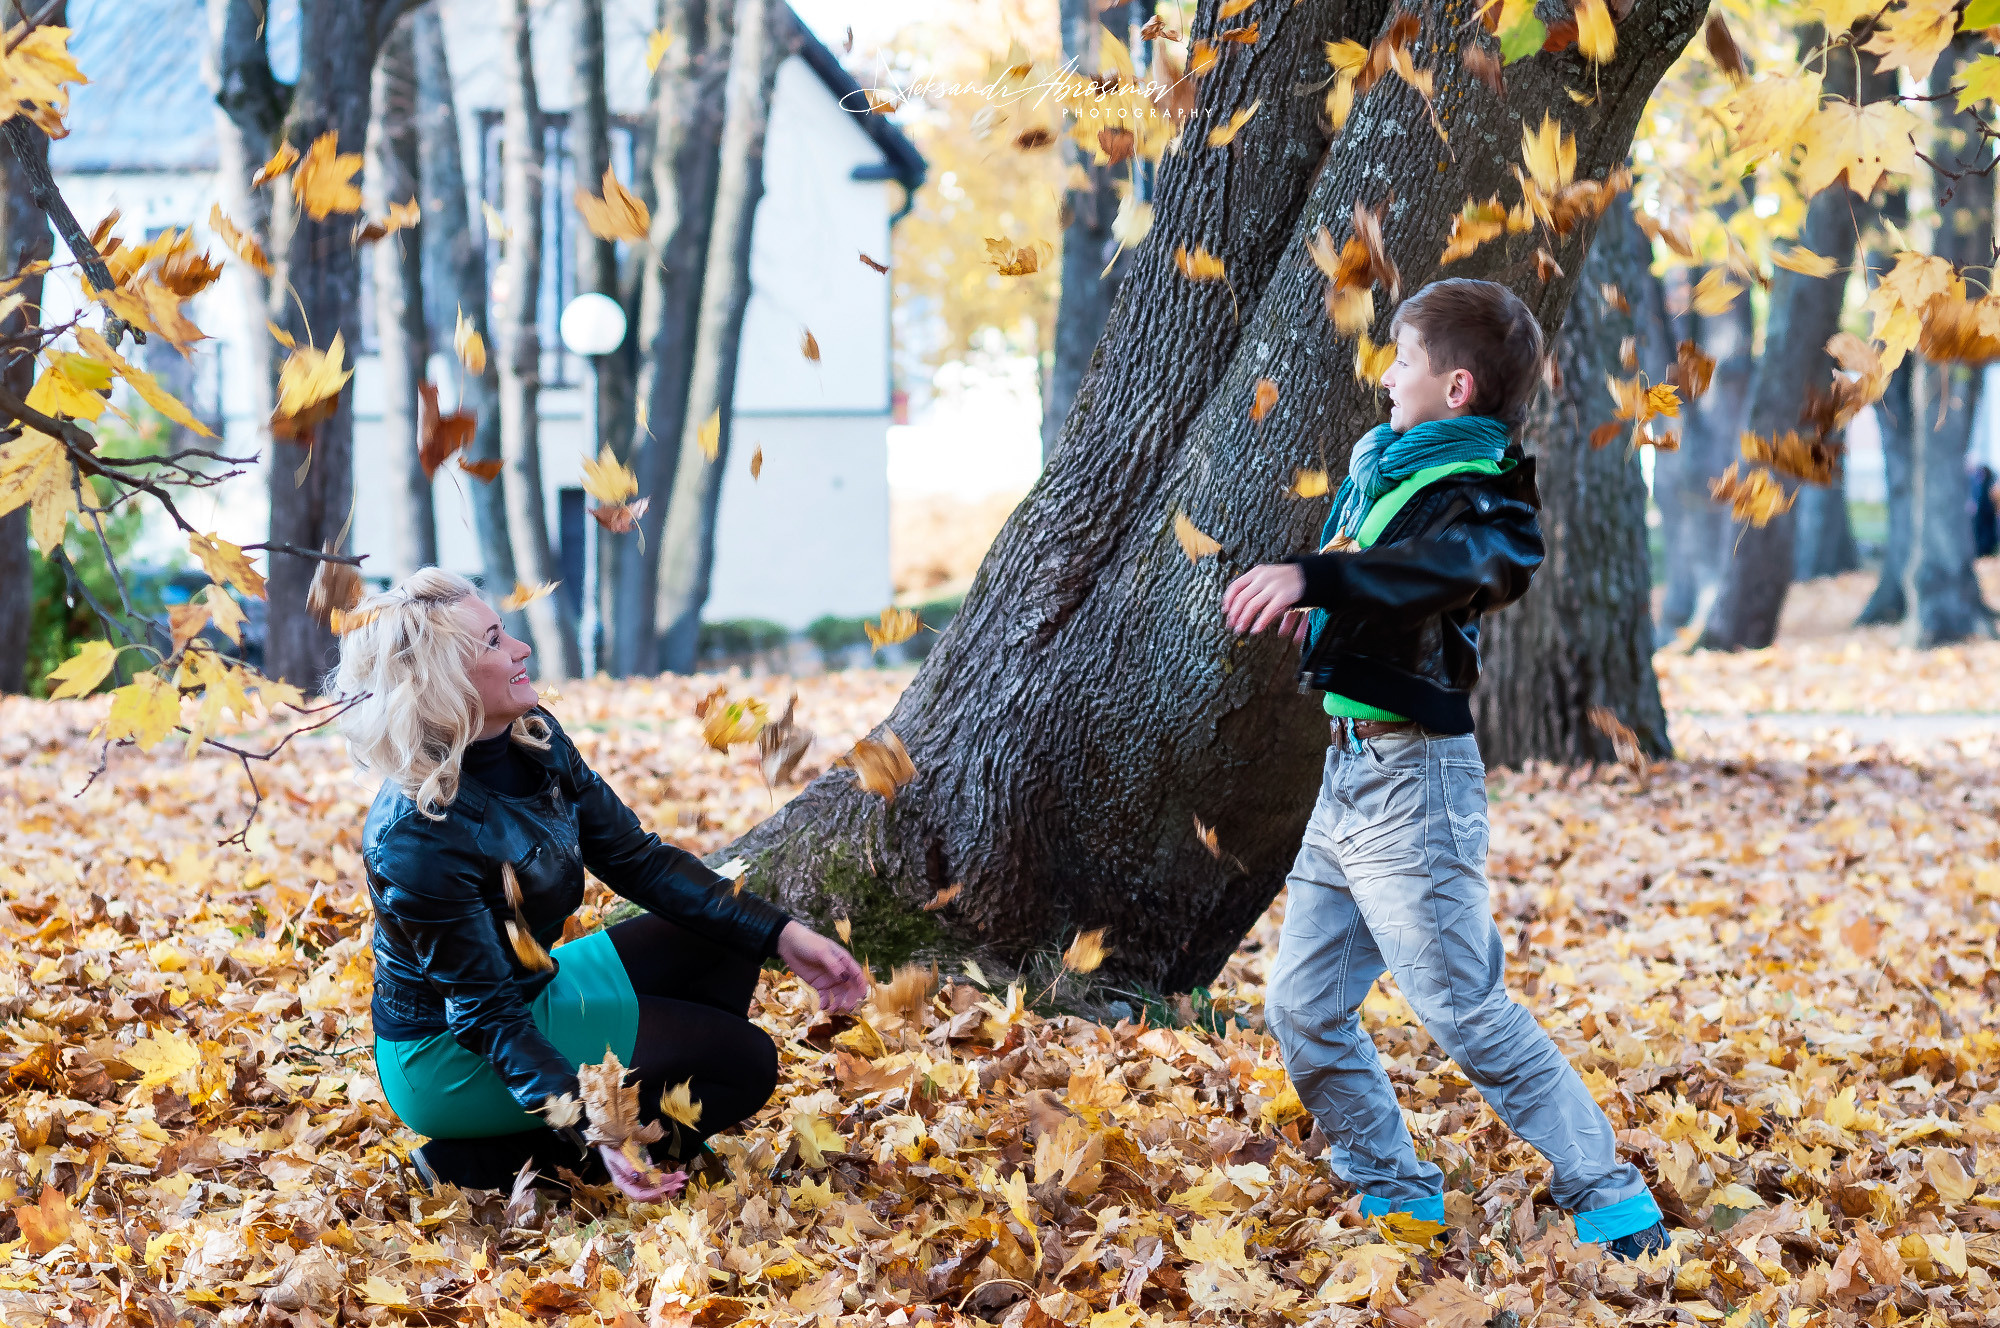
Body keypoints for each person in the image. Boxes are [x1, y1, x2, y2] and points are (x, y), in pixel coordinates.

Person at [1222, 279, 1670, 1258]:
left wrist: (1316, 575)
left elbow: (1460, 566)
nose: (1385, 373)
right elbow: (1381, 578)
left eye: (1402, 357)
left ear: (1454, 385)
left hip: (1409, 778)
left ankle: (1611, 1198)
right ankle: (1395, 1189)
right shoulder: (1385, 470)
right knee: (1299, 1004)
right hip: (1343, 780)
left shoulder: (1484, 496)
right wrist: (1322, 602)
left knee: (1461, 1005)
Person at [334, 569, 869, 1197]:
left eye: (504, 632)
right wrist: (597, 1125)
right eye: (493, 641)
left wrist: (779, 934)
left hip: (529, 990)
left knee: (722, 941)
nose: (520, 648)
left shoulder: (534, 738)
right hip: (451, 1052)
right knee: (747, 1064)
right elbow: (483, 1014)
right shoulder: (414, 833)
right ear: (442, 681)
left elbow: (637, 859)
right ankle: (517, 1162)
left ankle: (579, 1132)